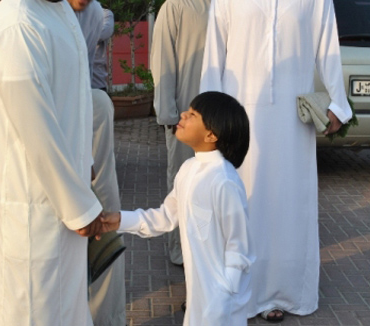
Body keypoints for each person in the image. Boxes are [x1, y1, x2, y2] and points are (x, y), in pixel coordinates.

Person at [199, 0, 352, 321]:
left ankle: (284, 293)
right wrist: (208, 115)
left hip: (291, 121)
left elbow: (328, 49)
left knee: (289, 203)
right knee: (241, 201)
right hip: (240, 118)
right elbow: (214, 53)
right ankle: (241, 292)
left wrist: (338, 102)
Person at [0, 0, 113, 325]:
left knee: (64, 304)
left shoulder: (56, 9)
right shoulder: (18, 25)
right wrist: (79, 205)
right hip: (29, 193)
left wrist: (83, 169)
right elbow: (36, 128)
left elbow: (71, 105)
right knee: (33, 306)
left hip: (60, 190)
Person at [96, 91, 254, 326]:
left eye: (192, 114)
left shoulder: (225, 181)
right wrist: (118, 221)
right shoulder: (188, 169)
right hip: (198, 298)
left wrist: (223, 294)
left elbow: (239, 248)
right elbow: (164, 217)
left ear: (211, 134)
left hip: (222, 305)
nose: (182, 115)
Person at [63, 0, 126, 326]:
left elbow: (82, 72)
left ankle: (107, 318)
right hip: (51, 134)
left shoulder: (93, 14)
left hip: (88, 122)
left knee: (102, 216)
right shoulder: (36, 15)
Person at [150, 0, 223, 266]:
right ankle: (180, 251)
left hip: (223, 114)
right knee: (183, 183)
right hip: (186, 114)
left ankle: (211, 247)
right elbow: (162, 60)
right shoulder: (177, 3)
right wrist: (168, 113)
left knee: (220, 184)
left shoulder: (230, 1)